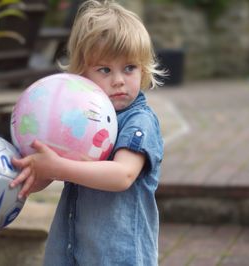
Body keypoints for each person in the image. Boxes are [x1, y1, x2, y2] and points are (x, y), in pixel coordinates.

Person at [10, 0, 165, 265]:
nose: (118, 80)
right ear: (82, 74)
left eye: (129, 68)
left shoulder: (139, 121)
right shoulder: (83, 117)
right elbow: (60, 166)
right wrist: (39, 173)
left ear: (143, 67)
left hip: (117, 256)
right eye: (104, 69)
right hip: (74, 251)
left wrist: (57, 167)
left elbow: (122, 175)